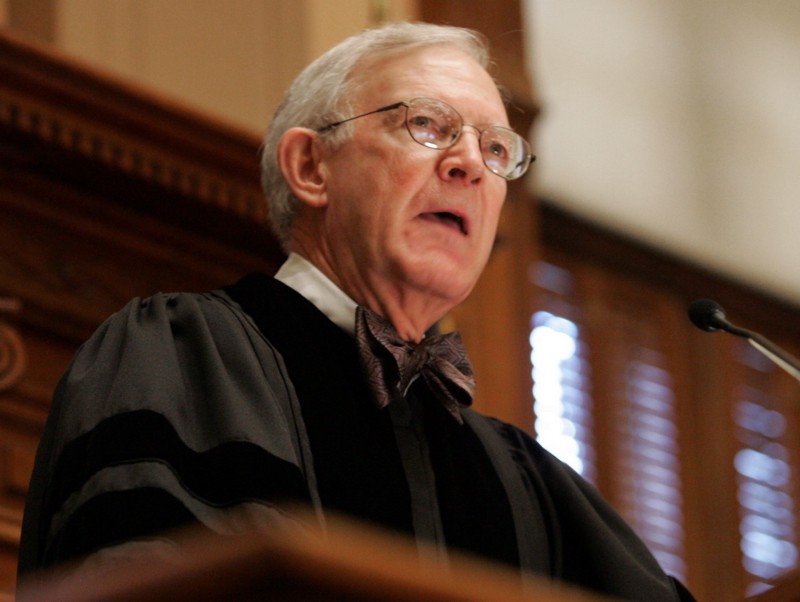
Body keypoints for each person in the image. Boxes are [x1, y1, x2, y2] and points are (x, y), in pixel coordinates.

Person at [18, 21, 693, 601]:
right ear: (311, 167)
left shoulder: (522, 481)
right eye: (428, 125)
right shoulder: (184, 355)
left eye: (495, 149)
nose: (470, 165)